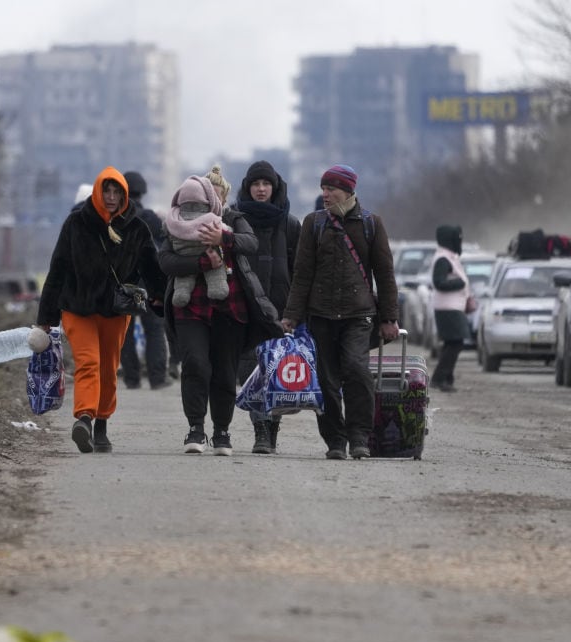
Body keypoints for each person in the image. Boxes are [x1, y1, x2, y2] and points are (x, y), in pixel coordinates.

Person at [36, 166, 166, 454]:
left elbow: (152, 269)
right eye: (106, 190)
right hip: (77, 307)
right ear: (96, 191)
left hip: (114, 311)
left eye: (116, 191)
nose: (110, 196)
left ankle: (102, 424)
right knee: (88, 362)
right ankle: (84, 418)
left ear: (124, 194)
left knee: (108, 369)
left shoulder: (135, 227)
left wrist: (161, 300)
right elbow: (57, 269)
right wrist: (46, 318)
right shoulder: (76, 224)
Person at [281, 164, 400, 460]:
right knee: (326, 381)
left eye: (331, 189)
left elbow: (385, 274)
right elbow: (302, 274)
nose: (325, 194)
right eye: (323, 189)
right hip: (320, 315)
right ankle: (335, 439)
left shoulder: (372, 224)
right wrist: (291, 316)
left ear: (348, 191)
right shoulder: (314, 223)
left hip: (359, 316)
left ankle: (360, 435)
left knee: (357, 370)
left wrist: (388, 318)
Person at [159, 174, 282, 456]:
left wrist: (223, 237)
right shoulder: (177, 222)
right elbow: (165, 260)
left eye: (216, 195)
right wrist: (201, 262)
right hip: (190, 307)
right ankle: (195, 428)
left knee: (225, 373)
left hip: (230, 308)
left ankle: (221, 431)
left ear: (222, 197)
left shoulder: (234, 219)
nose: (210, 201)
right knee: (195, 364)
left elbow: (251, 243)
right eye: (205, 196)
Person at [233, 160, 301, 455]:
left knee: (276, 373)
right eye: (256, 184)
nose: (261, 189)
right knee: (251, 373)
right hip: (245, 311)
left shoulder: (290, 224)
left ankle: (271, 428)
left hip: (281, 312)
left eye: (266, 184)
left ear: (275, 188)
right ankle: (261, 430)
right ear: (248, 188)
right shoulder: (235, 221)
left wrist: (295, 313)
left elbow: (301, 271)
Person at [119, 171, 170, 390]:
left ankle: (132, 379)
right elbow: (165, 244)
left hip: (124, 283)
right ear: (143, 192)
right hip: (149, 282)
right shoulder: (150, 217)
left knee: (125, 331)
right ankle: (157, 378)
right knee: (155, 329)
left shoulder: (116, 219)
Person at [429, 224, 471, 392]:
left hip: (453, 307)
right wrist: (459, 283)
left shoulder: (450, 257)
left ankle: (446, 378)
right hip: (447, 308)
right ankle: (439, 378)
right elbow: (438, 282)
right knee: (455, 343)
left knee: (452, 343)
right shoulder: (442, 259)